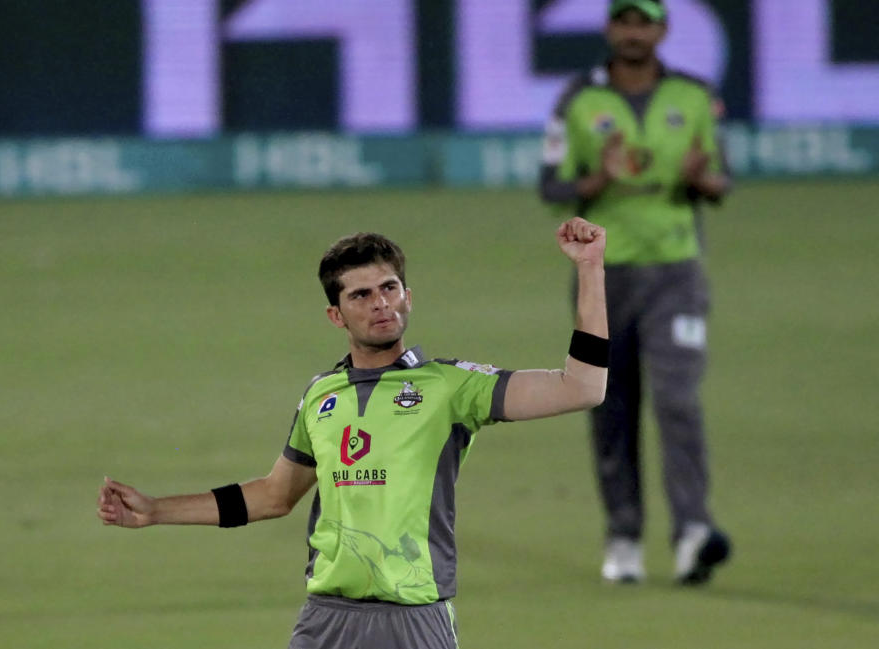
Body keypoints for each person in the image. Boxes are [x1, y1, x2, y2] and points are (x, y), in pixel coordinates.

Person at [98, 218, 609, 649]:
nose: (380, 303)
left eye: (389, 288)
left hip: (414, 618)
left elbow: (582, 387)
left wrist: (589, 270)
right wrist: (157, 510)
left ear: (409, 296)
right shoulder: (322, 396)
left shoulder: (451, 388)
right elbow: (275, 495)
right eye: (361, 294)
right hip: (326, 619)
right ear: (335, 314)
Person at [539, 0, 732, 586]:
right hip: (603, 274)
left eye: (643, 21)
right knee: (609, 405)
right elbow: (552, 185)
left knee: (677, 400)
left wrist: (702, 179)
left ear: (661, 30)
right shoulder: (578, 100)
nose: (632, 32)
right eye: (623, 21)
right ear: (609, 29)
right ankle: (624, 536)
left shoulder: (695, 97)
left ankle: (693, 532)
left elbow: (722, 180)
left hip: (676, 271)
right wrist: (602, 177)